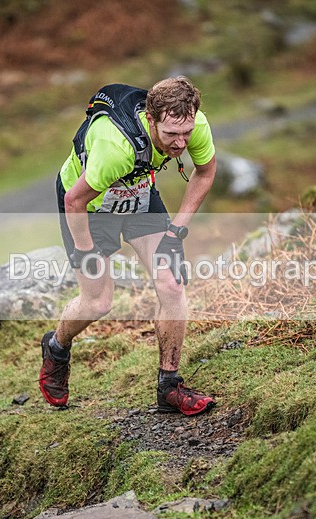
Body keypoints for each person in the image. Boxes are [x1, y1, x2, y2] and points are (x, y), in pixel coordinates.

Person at [39, 76, 218, 416]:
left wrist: (176, 231)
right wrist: (85, 250)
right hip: (88, 208)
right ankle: (57, 347)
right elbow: (75, 199)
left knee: (171, 284)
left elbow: (205, 172)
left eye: (186, 133)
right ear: (151, 120)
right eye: (170, 135)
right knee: (98, 302)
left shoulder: (193, 125)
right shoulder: (116, 149)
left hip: (138, 196)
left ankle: (169, 385)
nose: (180, 144)